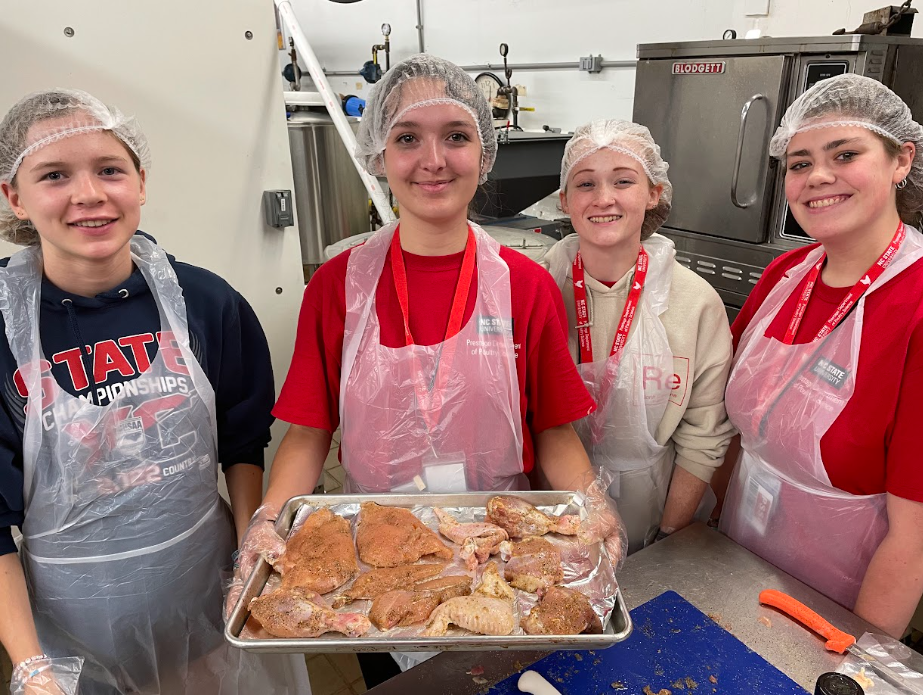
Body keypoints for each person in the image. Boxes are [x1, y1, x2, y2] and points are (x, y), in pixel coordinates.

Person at [236, 54, 626, 685]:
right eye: (408, 138)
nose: (434, 159)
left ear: (484, 151)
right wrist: (268, 520)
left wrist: (590, 505)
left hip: (498, 559)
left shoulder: (522, 285)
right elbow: (309, 431)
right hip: (374, 564)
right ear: (378, 155)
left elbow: (552, 429)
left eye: (456, 136)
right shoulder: (340, 285)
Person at [0, 89, 308, 694]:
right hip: (74, 632)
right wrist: (31, 664)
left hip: (210, 601)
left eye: (109, 170)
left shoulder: (206, 303)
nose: (89, 194)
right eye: (54, 175)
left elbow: (243, 446)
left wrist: (252, 555)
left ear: (140, 182)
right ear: (15, 196)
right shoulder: (5, 330)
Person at [718, 74, 923, 637]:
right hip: (734, 556)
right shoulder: (788, 274)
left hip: (836, 597)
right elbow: (739, 435)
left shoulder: (916, 306)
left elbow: (915, 539)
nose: (819, 177)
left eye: (846, 154)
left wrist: (855, 659)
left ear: (901, 160)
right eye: (800, 163)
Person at [543, 120, 735, 555]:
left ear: (653, 193)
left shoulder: (695, 304)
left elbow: (703, 433)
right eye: (585, 183)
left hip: (655, 507)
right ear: (565, 200)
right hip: (551, 509)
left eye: (623, 181)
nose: (603, 198)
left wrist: (666, 538)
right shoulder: (536, 291)